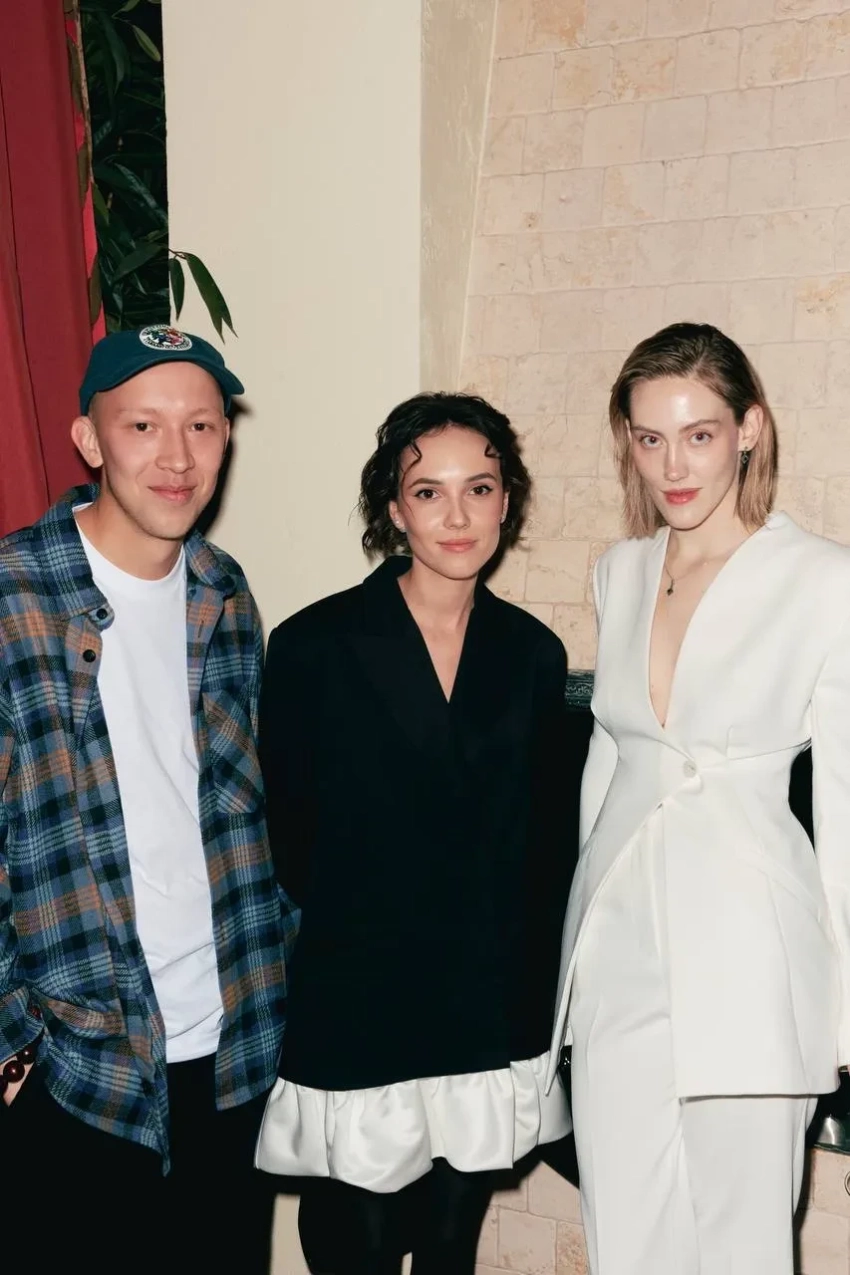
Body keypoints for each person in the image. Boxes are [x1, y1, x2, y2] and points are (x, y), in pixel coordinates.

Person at [547, 321, 850, 1274]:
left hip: (753, 950)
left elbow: (845, 804)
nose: (672, 466)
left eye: (700, 434)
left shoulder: (824, 579)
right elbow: (608, 762)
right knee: (627, 1238)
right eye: (650, 438)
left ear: (749, 428)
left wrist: (847, 1013)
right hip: (619, 950)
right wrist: (574, 965)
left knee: (743, 1244)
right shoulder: (621, 570)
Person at [255, 392, 573, 1275]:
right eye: (429, 492)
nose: (457, 516)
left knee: (447, 1247)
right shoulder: (314, 644)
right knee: (353, 1242)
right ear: (394, 508)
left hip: (486, 1004)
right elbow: (290, 836)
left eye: (480, 488)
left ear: (506, 502)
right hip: (362, 995)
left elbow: (546, 845)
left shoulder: (533, 654)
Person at [1, 325, 294, 1274]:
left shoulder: (224, 591)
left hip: (230, 1052)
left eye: (201, 425)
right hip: (75, 1068)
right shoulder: (12, 596)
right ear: (89, 439)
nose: (177, 456)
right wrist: (12, 1047)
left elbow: (250, 813)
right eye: (143, 425)